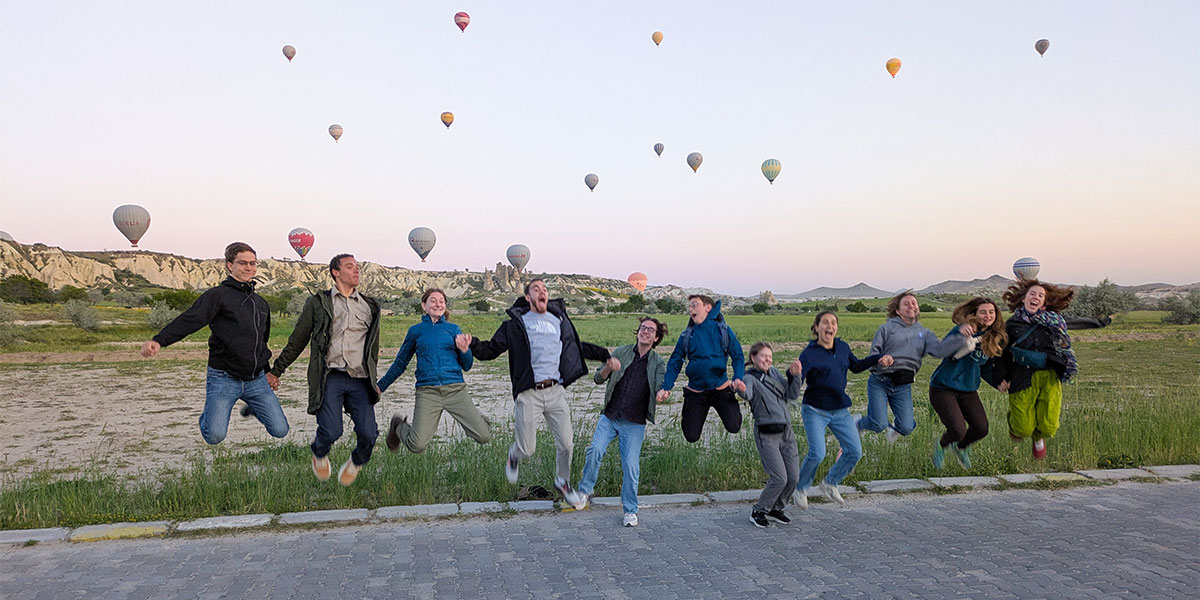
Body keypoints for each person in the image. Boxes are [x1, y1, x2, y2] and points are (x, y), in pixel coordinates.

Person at [467, 279, 614, 508]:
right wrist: (471, 344)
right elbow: (490, 350)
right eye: (536, 289)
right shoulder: (515, 325)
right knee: (528, 448)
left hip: (555, 391)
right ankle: (513, 455)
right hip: (529, 393)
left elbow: (576, 346)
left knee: (566, 444)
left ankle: (562, 482)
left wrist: (604, 355)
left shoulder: (559, 320)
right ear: (528, 297)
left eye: (545, 289)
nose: (542, 292)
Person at [140, 242, 289, 444]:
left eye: (253, 263)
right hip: (224, 377)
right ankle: (209, 417)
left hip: (256, 380)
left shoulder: (260, 304)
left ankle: (253, 407)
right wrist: (159, 341)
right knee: (215, 436)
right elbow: (190, 319)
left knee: (281, 430)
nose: (249, 268)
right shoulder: (218, 296)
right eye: (243, 263)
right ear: (229, 265)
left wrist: (269, 372)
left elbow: (261, 342)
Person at [269, 254, 382, 485]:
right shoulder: (319, 303)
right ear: (335, 272)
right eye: (350, 267)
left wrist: (374, 381)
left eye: (358, 268)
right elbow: (297, 340)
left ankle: (357, 461)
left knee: (369, 434)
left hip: (360, 378)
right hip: (330, 376)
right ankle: (319, 454)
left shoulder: (370, 306)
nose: (356, 271)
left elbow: (373, 349)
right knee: (331, 431)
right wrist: (276, 371)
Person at [575, 317, 668, 527]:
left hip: (634, 423)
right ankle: (585, 491)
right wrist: (609, 367)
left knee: (630, 466)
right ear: (637, 332)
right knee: (595, 450)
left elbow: (662, 385)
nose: (645, 332)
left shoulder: (657, 363)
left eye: (650, 330)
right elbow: (598, 378)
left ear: (656, 338)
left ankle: (630, 510)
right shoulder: (621, 352)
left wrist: (663, 393)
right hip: (610, 416)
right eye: (643, 328)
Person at [795, 311, 892, 507]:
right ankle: (800, 488)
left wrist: (878, 358)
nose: (830, 326)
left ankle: (830, 483)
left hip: (840, 410)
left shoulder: (843, 347)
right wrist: (794, 374)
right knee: (817, 453)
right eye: (825, 323)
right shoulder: (809, 353)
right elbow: (797, 381)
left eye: (833, 323)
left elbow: (856, 366)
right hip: (815, 410)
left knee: (854, 451)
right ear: (816, 327)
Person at [378, 288, 491, 454]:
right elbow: (400, 363)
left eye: (442, 301)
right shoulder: (415, 331)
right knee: (417, 445)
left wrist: (465, 350)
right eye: (433, 300)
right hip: (428, 392)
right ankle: (397, 425)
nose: (438, 304)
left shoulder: (453, 329)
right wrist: (380, 386)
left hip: (455, 390)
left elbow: (467, 366)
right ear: (424, 305)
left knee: (484, 436)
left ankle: (480, 422)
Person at [994, 279, 1076, 459]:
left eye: (1041, 295)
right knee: (1023, 427)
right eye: (1032, 293)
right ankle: (1014, 424)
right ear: (1023, 298)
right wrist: (1002, 376)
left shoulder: (1055, 322)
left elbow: (1073, 332)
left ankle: (1038, 438)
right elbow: (1001, 353)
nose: (1036, 297)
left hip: (1050, 375)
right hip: (1022, 376)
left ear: (1045, 302)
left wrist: (1101, 322)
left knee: (1049, 426)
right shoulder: (1012, 324)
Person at [858, 291, 954, 443]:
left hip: (903, 385)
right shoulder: (886, 329)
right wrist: (881, 360)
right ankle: (857, 424)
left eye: (914, 303)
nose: (911, 306)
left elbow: (940, 351)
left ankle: (897, 425)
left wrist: (962, 337)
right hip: (880, 381)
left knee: (907, 427)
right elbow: (873, 353)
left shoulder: (924, 333)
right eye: (906, 303)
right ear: (898, 310)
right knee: (878, 423)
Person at [655, 295, 746, 443]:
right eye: (689, 306)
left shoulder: (723, 330)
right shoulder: (686, 335)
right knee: (691, 435)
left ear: (708, 308)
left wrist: (738, 377)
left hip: (720, 388)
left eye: (694, 305)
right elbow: (675, 362)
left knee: (734, 425)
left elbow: (737, 356)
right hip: (696, 391)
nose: (690, 309)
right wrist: (666, 387)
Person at [927, 298, 1004, 470]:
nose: (988, 315)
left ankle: (960, 448)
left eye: (991, 312)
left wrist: (998, 383)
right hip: (943, 388)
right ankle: (941, 446)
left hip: (968, 390)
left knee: (981, 428)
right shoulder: (963, 330)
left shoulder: (992, 338)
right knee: (957, 430)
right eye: (983, 312)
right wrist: (960, 335)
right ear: (974, 314)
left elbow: (984, 368)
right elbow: (942, 351)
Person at [737, 342, 803, 528]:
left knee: (793, 478)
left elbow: (791, 394)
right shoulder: (749, 377)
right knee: (779, 477)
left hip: (786, 431)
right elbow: (747, 394)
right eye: (764, 356)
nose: (768, 359)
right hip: (766, 432)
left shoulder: (773, 373)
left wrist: (796, 376)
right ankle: (759, 510)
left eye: (770, 356)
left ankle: (776, 508)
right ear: (753, 358)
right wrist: (740, 388)